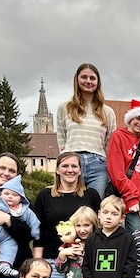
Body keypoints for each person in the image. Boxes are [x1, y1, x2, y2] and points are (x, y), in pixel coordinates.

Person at [33, 152, 102, 278]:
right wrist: (38, 263)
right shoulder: (45, 195)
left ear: (80, 170)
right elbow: (39, 233)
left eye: (74, 166)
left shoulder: (91, 195)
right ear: (57, 170)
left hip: (85, 262)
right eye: (65, 166)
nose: (70, 170)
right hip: (53, 261)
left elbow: (99, 229)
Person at [56, 63, 117, 196]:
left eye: (92, 78)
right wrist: (65, 159)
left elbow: (110, 143)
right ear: (77, 80)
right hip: (73, 162)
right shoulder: (64, 108)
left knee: (97, 203)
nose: (88, 81)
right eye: (84, 77)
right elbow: (61, 137)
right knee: (72, 202)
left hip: (98, 165)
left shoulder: (108, 112)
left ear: (98, 82)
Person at [106, 99, 140, 233]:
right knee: (136, 236)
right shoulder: (118, 136)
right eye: (138, 118)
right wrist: (130, 198)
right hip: (132, 202)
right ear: (130, 118)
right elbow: (116, 172)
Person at [55, 205, 99, 278]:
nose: (82, 230)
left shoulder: (98, 243)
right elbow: (61, 269)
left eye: (86, 225)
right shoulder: (70, 244)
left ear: (93, 225)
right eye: (78, 226)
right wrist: (63, 254)